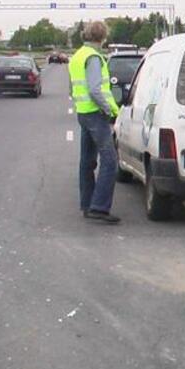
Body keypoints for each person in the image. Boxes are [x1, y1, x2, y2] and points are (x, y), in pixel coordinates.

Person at [68, 21, 121, 224]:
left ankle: (87, 204)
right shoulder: (94, 57)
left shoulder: (77, 56)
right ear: (103, 37)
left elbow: (72, 89)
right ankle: (99, 206)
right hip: (96, 114)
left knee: (87, 161)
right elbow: (95, 89)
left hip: (83, 112)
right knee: (110, 161)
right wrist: (110, 110)